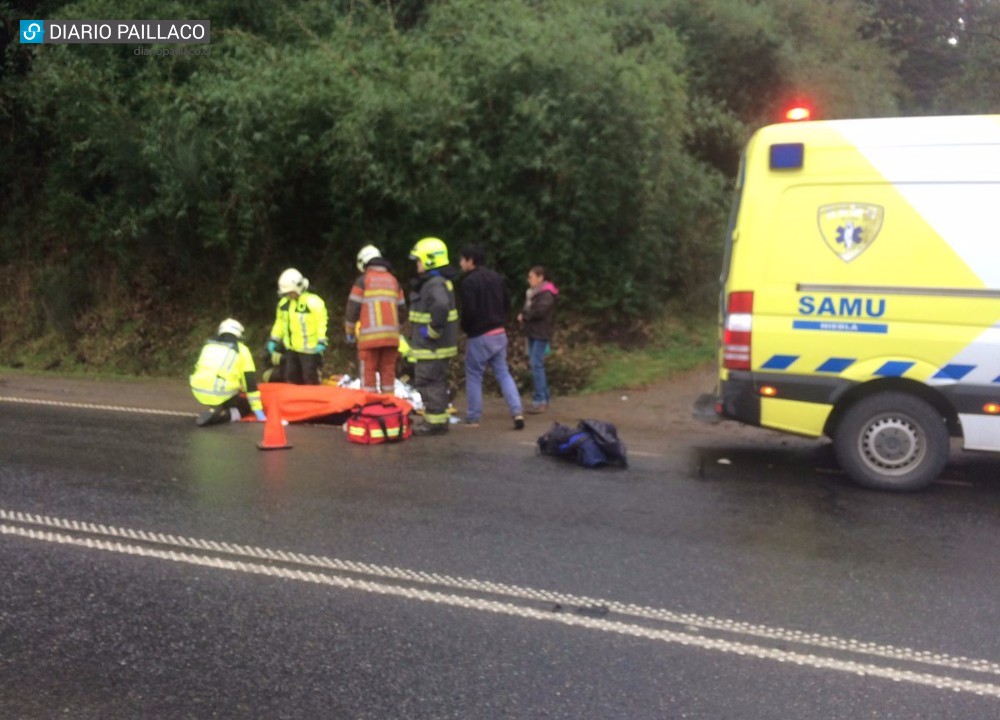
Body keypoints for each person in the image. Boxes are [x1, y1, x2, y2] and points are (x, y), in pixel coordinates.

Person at [457, 245, 524, 430]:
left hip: (479, 335)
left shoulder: (468, 282)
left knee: (474, 374)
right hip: (499, 332)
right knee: (503, 372)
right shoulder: (497, 278)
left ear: (470, 261)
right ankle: (517, 411)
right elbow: (507, 302)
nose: (460, 263)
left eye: (462, 259)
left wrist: (466, 328)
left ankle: (473, 417)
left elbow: (469, 310)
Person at [407, 237, 459, 436]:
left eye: (418, 261)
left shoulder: (435, 284)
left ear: (430, 260)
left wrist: (431, 331)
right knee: (430, 381)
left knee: (430, 381)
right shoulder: (435, 282)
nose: (417, 265)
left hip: (432, 346)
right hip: (429, 344)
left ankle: (435, 423)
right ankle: (434, 419)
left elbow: (440, 307)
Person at [345, 244, 407, 394]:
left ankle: (371, 410)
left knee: (368, 377)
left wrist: (350, 333)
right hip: (392, 339)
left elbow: (352, 310)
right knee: (388, 376)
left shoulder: (363, 281)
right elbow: (403, 311)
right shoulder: (394, 281)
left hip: (369, 340)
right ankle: (390, 410)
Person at [190, 318, 268, 426]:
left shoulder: (208, 345)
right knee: (245, 406)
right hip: (220, 392)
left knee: (230, 387)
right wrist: (258, 410)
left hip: (198, 390)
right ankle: (223, 415)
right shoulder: (242, 350)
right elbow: (250, 383)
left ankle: (215, 408)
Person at [267, 268, 328, 385]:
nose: (289, 295)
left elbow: (321, 323)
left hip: (310, 351)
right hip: (291, 349)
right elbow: (279, 323)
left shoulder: (314, 302)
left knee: (310, 379)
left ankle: (312, 401)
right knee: (291, 377)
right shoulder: (284, 304)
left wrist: (321, 341)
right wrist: (274, 339)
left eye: (290, 292)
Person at [517, 265, 559, 413]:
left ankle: (540, 399)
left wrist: (525, 316)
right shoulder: (533, 293)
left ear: (541, 277)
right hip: (533, 332)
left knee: (536, 364)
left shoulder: (546, 294)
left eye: (532, 277)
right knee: (536, 364)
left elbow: (540, 311)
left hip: (541, 332)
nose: (529, 280)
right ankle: (544, 398)